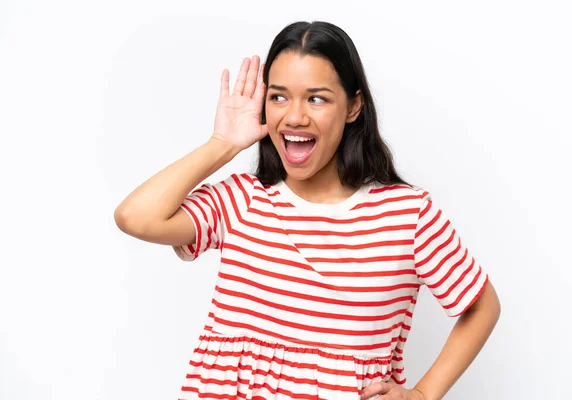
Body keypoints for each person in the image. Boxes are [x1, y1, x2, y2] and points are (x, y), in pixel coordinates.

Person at [114, 20, 501, 400]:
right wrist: (223, 143)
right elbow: (136, 217)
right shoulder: (242, 201)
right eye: (279, 96)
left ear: (353, 107)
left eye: (316, 98)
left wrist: (423, 394)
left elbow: (482, 306)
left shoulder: (406, 215)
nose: (295, 116)